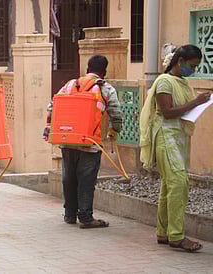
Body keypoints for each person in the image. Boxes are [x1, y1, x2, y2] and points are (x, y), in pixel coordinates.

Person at [140, 44, 209, 252]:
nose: (193, 70)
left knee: (168, 186)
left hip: (178, 137)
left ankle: (163, 232)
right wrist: (196, 101)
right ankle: (176, 236)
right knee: (179, 182)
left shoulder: (183, 82)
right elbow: (168, 111)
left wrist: (199, 103)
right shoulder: (164, 82)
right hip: (165, 135)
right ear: (180, 62)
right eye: (191, 65)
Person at [44, 55, 123, 228]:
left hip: (67, 140)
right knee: (86, 179)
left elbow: (51, 107)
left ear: (87, 69)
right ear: (104, 72)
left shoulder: (69, 85)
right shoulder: (105, 88)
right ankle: (86, 217)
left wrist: (50, 128)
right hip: (90, 143)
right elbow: (116, 113)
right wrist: (114, 131)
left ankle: (70, 214)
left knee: (69, 178)